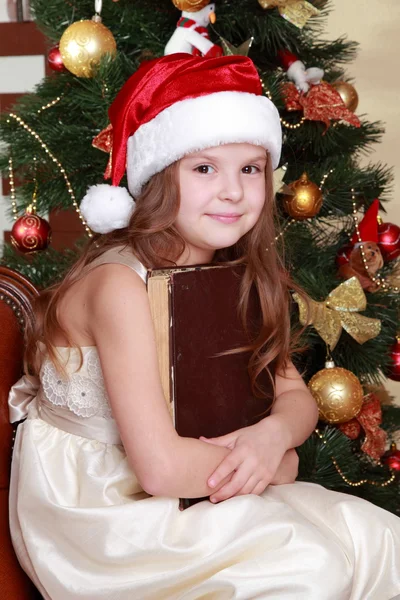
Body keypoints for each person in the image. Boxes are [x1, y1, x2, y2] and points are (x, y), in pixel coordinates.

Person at [8, 54, 400, 600]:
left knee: (380, 539)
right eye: (204, 168)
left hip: (205, 476)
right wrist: (280, 464)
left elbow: (297, 398)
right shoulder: (120, 284)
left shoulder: (235, 271)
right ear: (158, 176)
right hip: (102, 508)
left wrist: (274, 437)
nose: (233, 192)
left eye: (250, 168)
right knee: (308, 567)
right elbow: (161, 470)